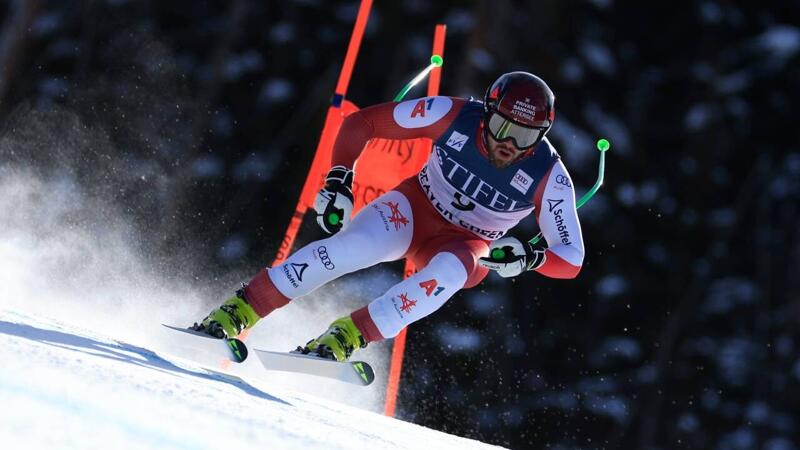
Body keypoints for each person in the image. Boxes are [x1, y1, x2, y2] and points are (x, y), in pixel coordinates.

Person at [192, 71, 585, 362]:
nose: (509, 144)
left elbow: (571, 258)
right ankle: (240, 309)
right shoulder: (452, 115)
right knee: (352, 249)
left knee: (447, 274)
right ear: (487, 113)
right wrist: (340, 179)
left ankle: (344, 337)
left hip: (464, 245)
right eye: (501, 127)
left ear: (543, 135)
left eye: (526, 137)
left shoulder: (549, 176)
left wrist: (531, 258)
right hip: (413, 209)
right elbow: (362, 123)